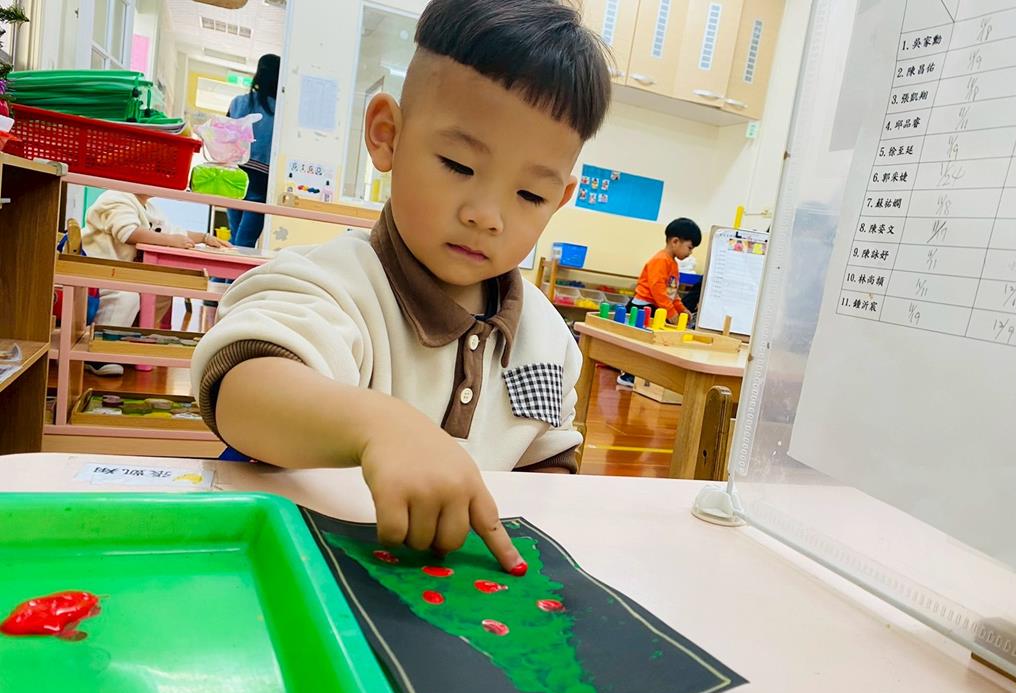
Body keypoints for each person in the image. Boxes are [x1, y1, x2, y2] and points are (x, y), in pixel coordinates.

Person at [191, 0, 610, 572]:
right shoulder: (334, 284)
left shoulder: (549, 338)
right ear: (387, 135)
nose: (487, 215)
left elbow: (546, 465)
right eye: (459, 165)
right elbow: (241, 390)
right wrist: (377, 426)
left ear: (559, 200)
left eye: (530, 195)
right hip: (308, 569)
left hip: (449, 595)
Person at [81, 190, 224, 376]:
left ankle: (128, 342)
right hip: (100, 273)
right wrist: (169, 240)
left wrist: (204, 238)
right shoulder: (116, 197)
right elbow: (127, 232)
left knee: (161, 291)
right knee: (126, 297)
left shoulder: (149, 208)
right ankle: (100, 355)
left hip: (123, 275)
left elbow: (174, 231)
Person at [617, 218, 702, 388]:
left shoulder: (673, 264)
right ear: (675, 241)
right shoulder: (661, 260)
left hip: (657, 307)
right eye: (690, 247)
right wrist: (671, 313)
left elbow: (672, 293)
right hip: (643, 308)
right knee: (642, 344)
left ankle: (643, 376)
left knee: (654, 344)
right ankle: (629, 376)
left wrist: (682, 309)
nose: (690, 253)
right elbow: (658, 291)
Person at [226, 53, 279, 247]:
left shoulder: (238, 102)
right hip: (262, 180)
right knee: (244, 242)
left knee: (234, 239)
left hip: (234, 175)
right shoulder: (281, 110)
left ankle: (223, 268)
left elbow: (223, 136)